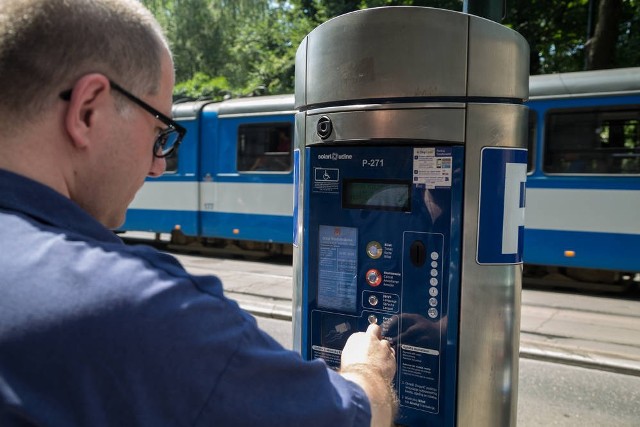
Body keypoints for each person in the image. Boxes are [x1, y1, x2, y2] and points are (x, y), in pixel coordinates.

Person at [0, 1, 397, 426]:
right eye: (159, 131)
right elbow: (348, 418)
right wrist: (367, 371)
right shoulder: (141, 308)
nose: (159, 164)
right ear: (87, 111)